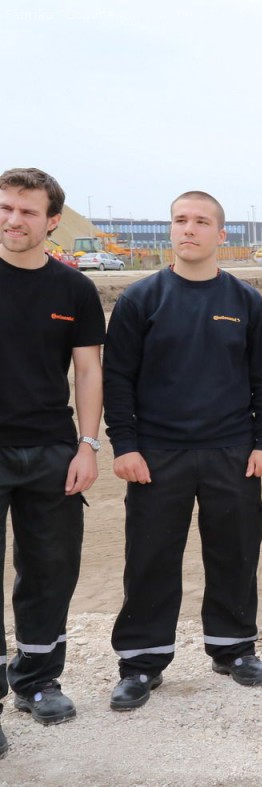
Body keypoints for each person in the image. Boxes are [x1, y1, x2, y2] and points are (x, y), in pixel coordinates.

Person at [104, 191, 262, 709]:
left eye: (201, 221)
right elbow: (118, 379)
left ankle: (234, 649)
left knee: (234, 552)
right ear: (171, 229)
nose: (189, 229)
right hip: (158, 455)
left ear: (220, 235)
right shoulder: (142, 299)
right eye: (180, 220)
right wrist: (125, 446)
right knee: (150, 558)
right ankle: (141, 662)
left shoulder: (245, 301)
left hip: (232, 452)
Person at [0, 168, 103, 743]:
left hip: (51, 451)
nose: (13, 220)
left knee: (49, 571)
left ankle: (38, 681)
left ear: (53, 222)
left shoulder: (74, 290)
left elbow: (87, 371)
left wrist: (88, 444)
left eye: (27, 211)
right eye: (5, 208)